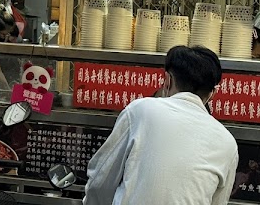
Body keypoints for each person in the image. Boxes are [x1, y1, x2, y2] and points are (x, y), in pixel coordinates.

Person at [83, 45, 239, 205]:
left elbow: (101, 178)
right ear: (212, 94)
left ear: (167, 80)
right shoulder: (227, 142)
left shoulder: (140, 111)